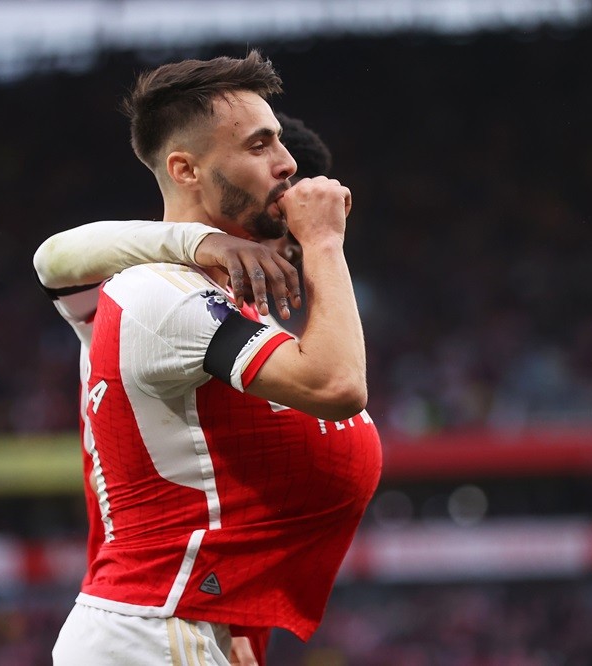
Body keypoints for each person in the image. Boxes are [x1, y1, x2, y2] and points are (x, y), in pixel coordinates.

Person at [36, 50, 381, 665]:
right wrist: (203, 239)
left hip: (198, 618)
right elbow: (54, 259)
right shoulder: (154, 292)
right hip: (151, 615)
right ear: (187, 168)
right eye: (259, 148)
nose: (291, 180)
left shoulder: (239, 310)